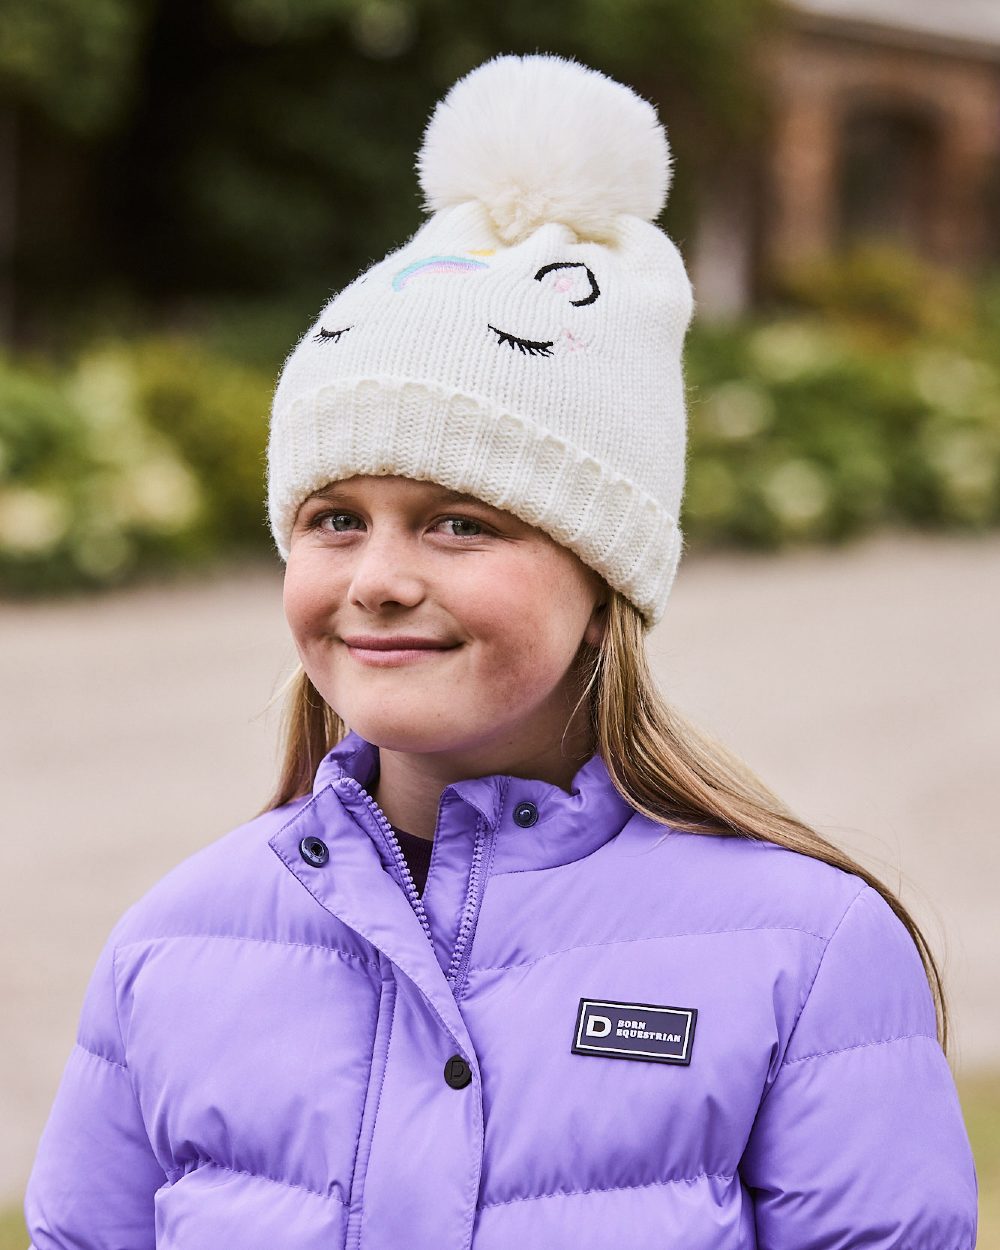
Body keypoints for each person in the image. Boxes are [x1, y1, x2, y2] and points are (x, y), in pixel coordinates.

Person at [25, 52, 977, 1249]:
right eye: (334, 519)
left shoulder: (811, 955)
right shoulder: (173, 942)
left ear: (603, 577)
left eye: (458, 520)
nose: (377, 578)